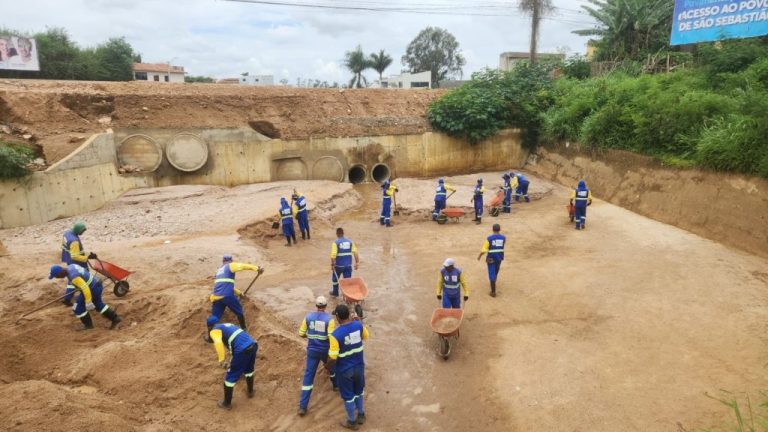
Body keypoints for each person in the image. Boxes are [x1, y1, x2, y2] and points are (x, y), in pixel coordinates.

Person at [325, 304, 369, 430]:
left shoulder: (335, 335)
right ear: (349, 314)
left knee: (348, 396)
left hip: (345, 370)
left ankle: (352, 421)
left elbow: (333, 357)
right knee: (359, 391)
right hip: (359, 367)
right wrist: (359, 321)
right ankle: (361, 415)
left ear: (338, 317)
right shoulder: (358, 325)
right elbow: (366, 336)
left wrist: (327, 367)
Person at [205, 254, 263, 339]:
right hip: (227, 296)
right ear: (231, 260)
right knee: (239, 312)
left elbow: (226, 285)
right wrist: (257, 268)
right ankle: (244, 330)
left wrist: (239, 293)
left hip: (216, 297)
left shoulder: (219, 271)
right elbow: (243, 266)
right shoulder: (230, 265)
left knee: (215, 318)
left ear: (223, 261)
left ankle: (210, 337)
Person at [48, 263, 122, 330]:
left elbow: (85, 288)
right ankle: (115, 318)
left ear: (60, 273)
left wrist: (88, 302)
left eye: (57, 276)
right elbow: (71, 285)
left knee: (79, 308)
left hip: (92, 289)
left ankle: (88, 325)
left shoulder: (74, 277)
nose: (58, 278)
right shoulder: (71, 266)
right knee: (97, 304)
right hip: (95, 284)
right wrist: (67, 298)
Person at [297, 295, 337, 416]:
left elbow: (301, 333)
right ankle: (336, 385)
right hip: (325, 350)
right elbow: (331, 337)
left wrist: (310, 337)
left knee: (308, 376)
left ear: (316, 306)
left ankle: (302, 407)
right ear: (325, 306)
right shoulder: (329, 320)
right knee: (331, 367)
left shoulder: (308, 317)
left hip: (312, 351)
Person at [209, 322, 258, 410]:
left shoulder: (214, 330)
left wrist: (221, 360)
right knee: (249, 369)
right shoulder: (228, 326)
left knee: (230, 377)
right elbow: (236, 343)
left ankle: (226, 404)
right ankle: (250, 392)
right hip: (252, 345)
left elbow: (218, 344)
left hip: (242, 350)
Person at [60, 221, 91, 306]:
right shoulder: (74, 241)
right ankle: (85, 296)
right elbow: (74, 256)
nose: (82, 233)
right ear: (78, 230)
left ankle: (67, 298)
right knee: (85, 277)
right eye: (82, 231)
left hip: (68, 258)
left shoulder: (67, 233)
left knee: (72, 279)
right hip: (76, 262)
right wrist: (86, 258)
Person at [477, 224, 506, 297]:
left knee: (491, 273)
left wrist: (479, 256)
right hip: (499, 257)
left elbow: (484, 249)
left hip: (491, 258)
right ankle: (494, 281)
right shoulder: (503, 238)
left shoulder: (489, 238)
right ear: (500, 229)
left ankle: (493, 292)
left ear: (492, 230)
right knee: (496, 270)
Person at [330, 228, 359, 297]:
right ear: (343, 233)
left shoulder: (335, 243)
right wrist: (357, 262)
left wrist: (332, 265)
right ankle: (347, 295)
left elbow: (333, 255)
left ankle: (335, 292)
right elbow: (355, 252)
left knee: (335, 279)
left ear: (337, 234)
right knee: (347, 280)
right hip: (348, 265)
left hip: (338, 266)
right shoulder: (350, 242)